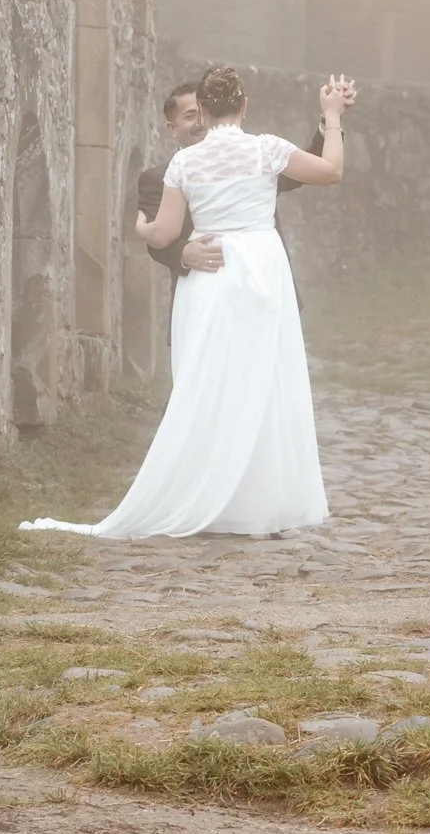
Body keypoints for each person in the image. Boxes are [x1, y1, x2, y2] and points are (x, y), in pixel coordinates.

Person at [20, 66, 357, 539]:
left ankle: (214, 496)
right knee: (263, 381)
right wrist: (332, 115)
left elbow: (160, 232)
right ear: (243, 107)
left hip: (210, 279)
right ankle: (254, 502)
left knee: (208, 383)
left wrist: (140, 226)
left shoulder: (184, 164)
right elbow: (332, 171)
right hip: (261, 269)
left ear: (205, 110)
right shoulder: (267, 149)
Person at [138, 78, 345, 285]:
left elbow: (311, 168)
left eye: (203, 112)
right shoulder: (159, 177)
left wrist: (329, 119)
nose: (200, 121)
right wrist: (182, 254)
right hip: (205, 289)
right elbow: (158, 238)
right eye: (191, 115)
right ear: (172, 127)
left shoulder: (257, 157)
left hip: (264, 281)